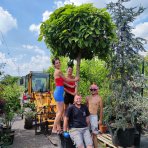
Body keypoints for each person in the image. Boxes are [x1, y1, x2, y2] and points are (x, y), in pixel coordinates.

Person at [52, 57, 79, 134]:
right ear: (54, 65)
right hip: (59, 92)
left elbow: (62, 82)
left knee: (59, 111)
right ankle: (54, 128)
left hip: (58, 92)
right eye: (56, 63)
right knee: (61, 112)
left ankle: (58, 128)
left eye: (59, 62)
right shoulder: (58, 71)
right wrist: (75, 80)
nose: (58, 63)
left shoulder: (56, 71)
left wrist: (70, 86)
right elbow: (66, 79)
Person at [86, 83, 103, 148]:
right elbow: (86, 107)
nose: (93, 91)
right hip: (88, 116)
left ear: (97, 90)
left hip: (94, 117)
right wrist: (85, 117)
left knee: (95, 134)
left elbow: (101, 109)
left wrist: (100, 120)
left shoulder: (99, 98)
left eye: (94, 89)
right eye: (91, 89)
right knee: (87, 133)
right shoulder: (87, 97)